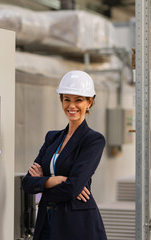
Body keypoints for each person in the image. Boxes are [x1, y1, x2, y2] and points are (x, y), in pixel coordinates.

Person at [22, 70, 107, 240]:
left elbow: (72, 188)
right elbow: (27, 183)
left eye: (78, 100)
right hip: (46, 222)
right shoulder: (52, 137)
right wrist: (55, 180)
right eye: (67, 99)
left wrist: (43, 184)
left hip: (76, 224)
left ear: (89, 102)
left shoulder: (93, 140)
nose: (71, 106)